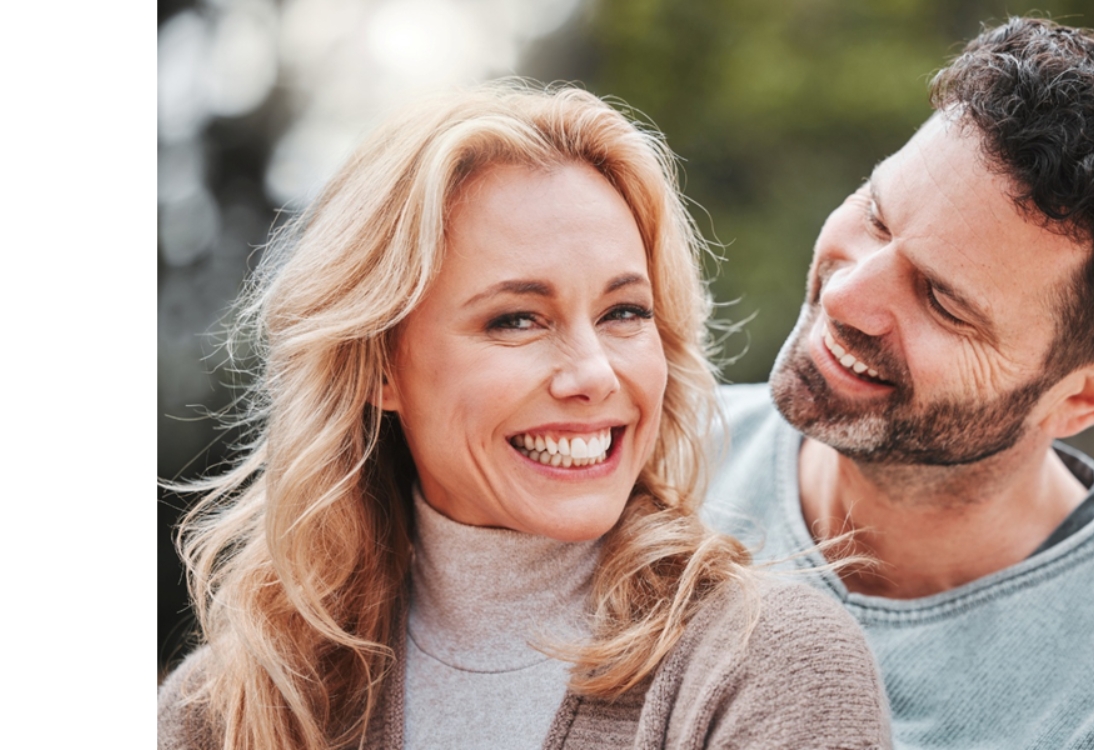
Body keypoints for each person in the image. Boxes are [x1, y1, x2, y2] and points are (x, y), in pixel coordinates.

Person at [158, 83, 891, 750]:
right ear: (379, 365)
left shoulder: (769, 665)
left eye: (624, 312)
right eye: (517, 320)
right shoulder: (225, 707)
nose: (594, 375)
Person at [703, 18, 1094, 749]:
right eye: (876, 216)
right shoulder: (630, 460)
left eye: (944, 301)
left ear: (1088, 396)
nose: (849, 297)